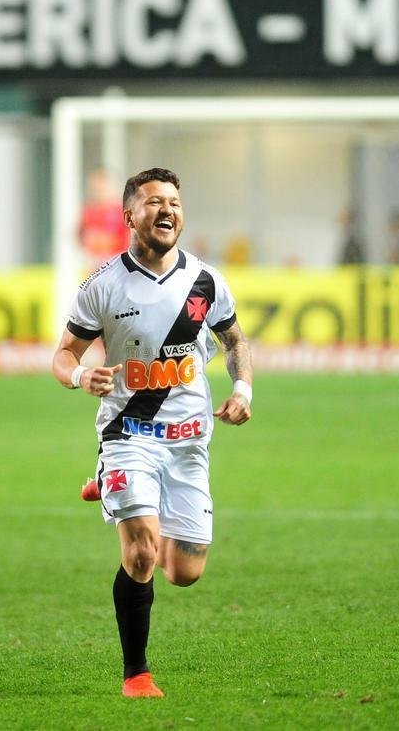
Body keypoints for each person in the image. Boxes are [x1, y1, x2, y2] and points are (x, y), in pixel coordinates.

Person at [52, 167, 254, 699]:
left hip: (188, 441)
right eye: (154, 202)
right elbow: (64, 354)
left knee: (184, 571)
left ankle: (115, 487)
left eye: (174, 202)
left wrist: (242, 391)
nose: (167, 210)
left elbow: (234, 341)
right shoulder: (103, 284)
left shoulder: (206, 282)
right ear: (129, 217)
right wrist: (78, 375)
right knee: (141, 551)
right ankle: (136, 674)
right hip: (129, 432)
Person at [77, 168, 132, 269]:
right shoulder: (89, 212)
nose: (99, 192)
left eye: (102, 188)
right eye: (96, 189)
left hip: (119, 264)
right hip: (95, 265)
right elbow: (80, 235)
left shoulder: (124, 211)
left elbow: (132, 238)